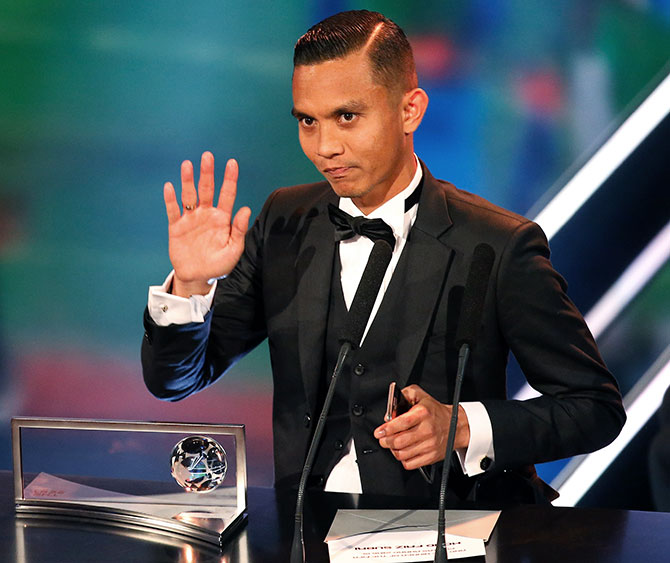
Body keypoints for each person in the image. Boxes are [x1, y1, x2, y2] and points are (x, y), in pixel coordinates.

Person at [142, 10, 625, 504]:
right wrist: (191, 286)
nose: (325, 146)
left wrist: (462, 426)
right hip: (305, 535)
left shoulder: (498, 243)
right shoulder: (283, 221)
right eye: (309, 121)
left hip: (451, 534)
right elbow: (174, 380)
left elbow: (594, 408)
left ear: (410, 110)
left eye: (347, 117)